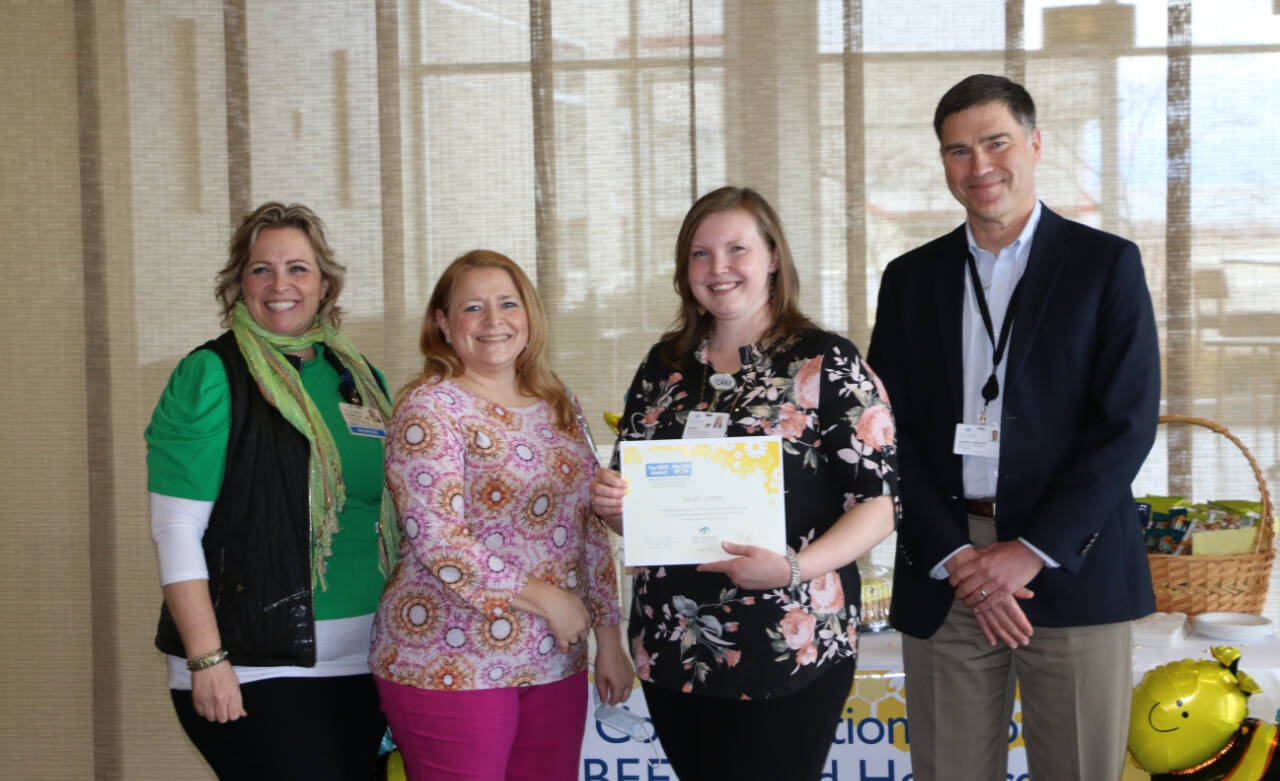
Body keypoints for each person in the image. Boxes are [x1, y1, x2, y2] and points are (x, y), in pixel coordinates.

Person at [866, 74, 1161, 781]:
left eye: (996, 142)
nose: (980, 166)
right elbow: (884, 430)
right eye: (958, 151)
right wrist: (958, 557)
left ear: (1034, 143)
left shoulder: (1106, 265)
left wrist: (1030, 549)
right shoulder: (911, 277)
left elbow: (1126, 423)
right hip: (948, 569)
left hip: (1069, 563)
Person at [590, 186, 899, 781]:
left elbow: (880, 506)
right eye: (700, 254)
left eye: (737, 249)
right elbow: (639, 504)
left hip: (787, 637)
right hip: (674, 639)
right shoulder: (665, 367)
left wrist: (792, 570)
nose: (718, 268)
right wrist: (613, 507)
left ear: (773, 258)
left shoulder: (824, 363)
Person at [146, 202, 397, 779]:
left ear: (325, 283)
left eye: (298, 269)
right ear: (239, 284)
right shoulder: (212, 374)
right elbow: (177, 529)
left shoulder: (357, 377)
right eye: (262, 269)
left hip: (367, 660)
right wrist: (207, 659)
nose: (280, 284)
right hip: (254, 664)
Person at [369, 250, 631, 781]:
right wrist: (552, 601)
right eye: (473, 307)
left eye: (508, 304)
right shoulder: (429, 408)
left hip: (555, 658)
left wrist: (609, 640)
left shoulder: (560, 404)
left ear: (530, 316)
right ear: (442, 323)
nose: (494, 321)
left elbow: (589, 531)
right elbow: (439, 539)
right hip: (448, 660)